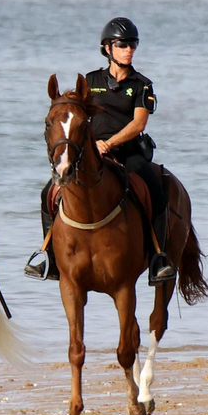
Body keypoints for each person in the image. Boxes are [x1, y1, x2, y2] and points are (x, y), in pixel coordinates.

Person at [25, 17, 176, 286]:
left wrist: (110, 142)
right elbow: (75, 116)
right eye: (122, 44)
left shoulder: (142, 84)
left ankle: (157, 257)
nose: (129, 49)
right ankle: (49, 254)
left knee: (154, 187)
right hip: (91, 152)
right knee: (49, 190)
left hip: (128, 152)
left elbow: (138, 123)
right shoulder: (91, 81)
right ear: (108, 48)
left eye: (133, 44)